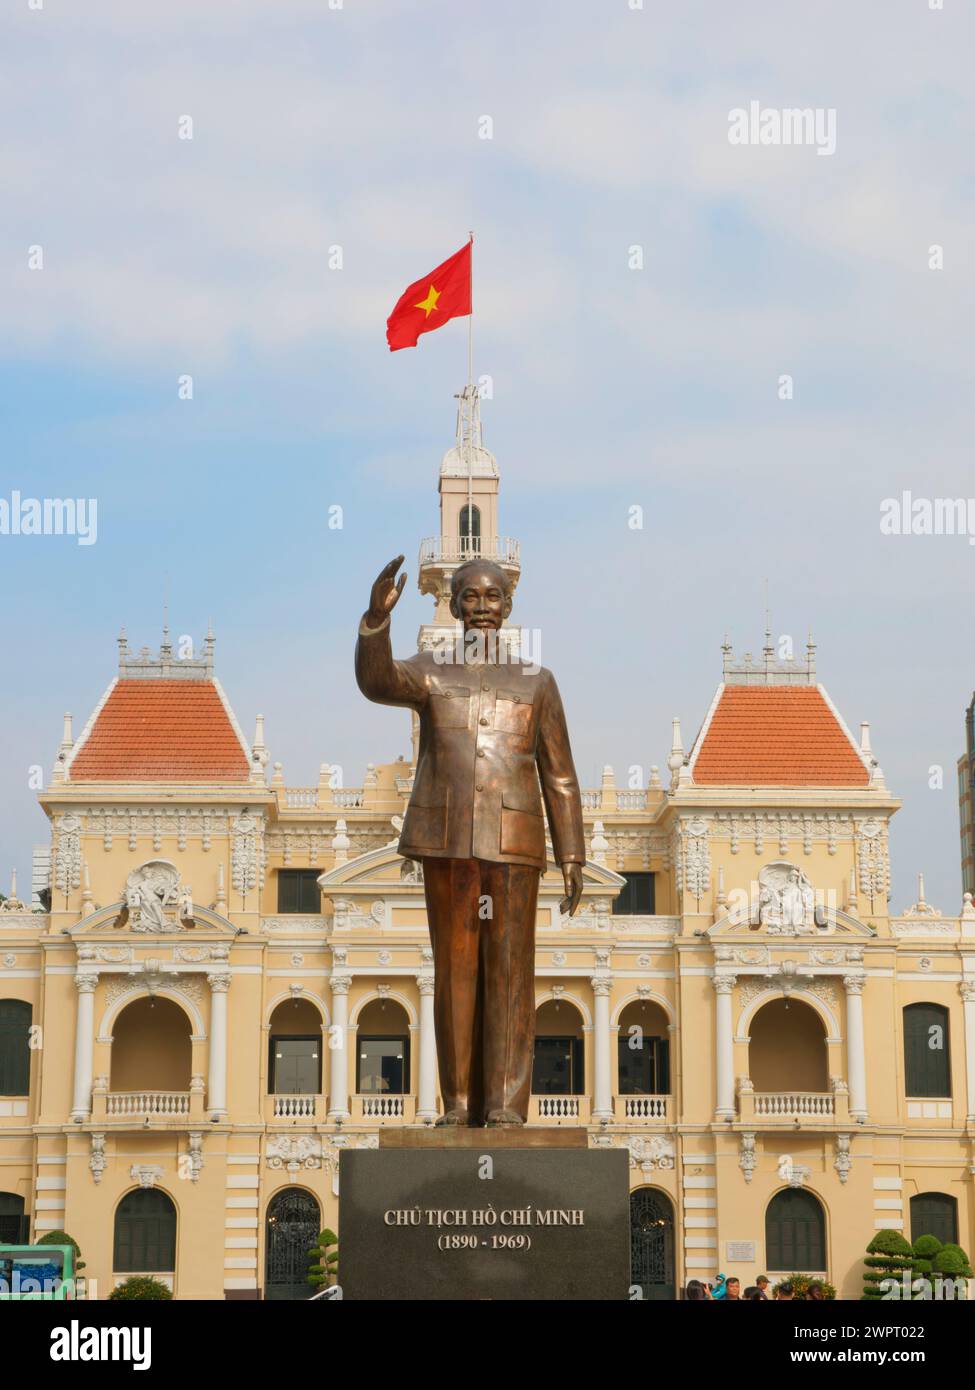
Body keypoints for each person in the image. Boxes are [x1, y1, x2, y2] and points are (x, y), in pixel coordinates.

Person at [356, 556, 586, 1126]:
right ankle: (457, 1104)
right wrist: (375, 623)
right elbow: (377, 681)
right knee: (454, 971)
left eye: (492, 597)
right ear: (455, 605)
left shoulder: (538, 681)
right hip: (447, 837)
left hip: (516, 840)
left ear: (508, 607)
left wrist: (573, 854)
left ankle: (507, 1105)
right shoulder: (430, 672)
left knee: (511, 973)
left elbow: (559, 774)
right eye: (471, 597)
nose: (481, 608)